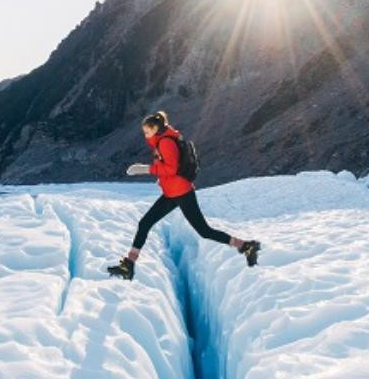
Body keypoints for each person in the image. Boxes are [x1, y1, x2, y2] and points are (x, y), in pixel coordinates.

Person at [107, 111, 259, 281]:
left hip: (182, 193)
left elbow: (171, 169)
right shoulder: (162, 140)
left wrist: (145, 169)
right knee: (144, 224)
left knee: (204, 231)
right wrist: (160, 178)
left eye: (147, 131)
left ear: (155, 128)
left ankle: (247, 246)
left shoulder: (165, 142)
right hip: (171, 192)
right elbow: (168, 168)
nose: (145, 135)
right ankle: (129, 264)